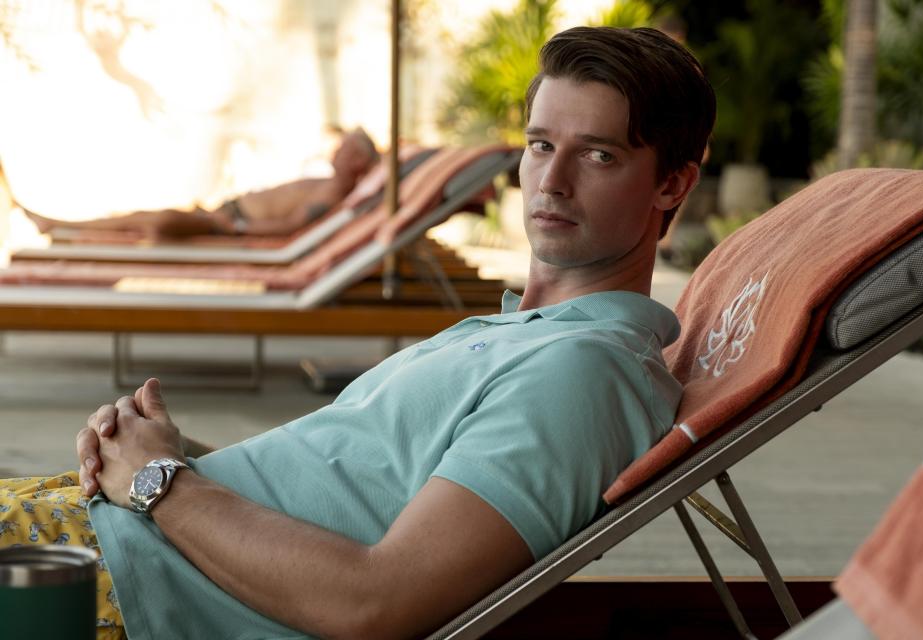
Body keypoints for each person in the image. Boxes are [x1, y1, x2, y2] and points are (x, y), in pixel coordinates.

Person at [0, 26, 715, 640]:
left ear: (672, 185)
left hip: (105, 579)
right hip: (103, 526)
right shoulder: (524, 334)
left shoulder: (581, 373)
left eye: (598, 155)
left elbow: (376, 603)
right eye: (537, 145)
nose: (550, 181)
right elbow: (345, 488)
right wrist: (154, 451)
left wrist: (162, 484)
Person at [20, 128, 379, 239]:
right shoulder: (328, 182)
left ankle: (62, 226)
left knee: (154, 220)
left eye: (346, 149)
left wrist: (237, 225)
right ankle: (68, 230)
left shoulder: (333, 192)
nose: (338, 150)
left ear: (359, 162)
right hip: (224, 215)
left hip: (224, 224)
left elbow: (291, 224)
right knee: (148, 221)